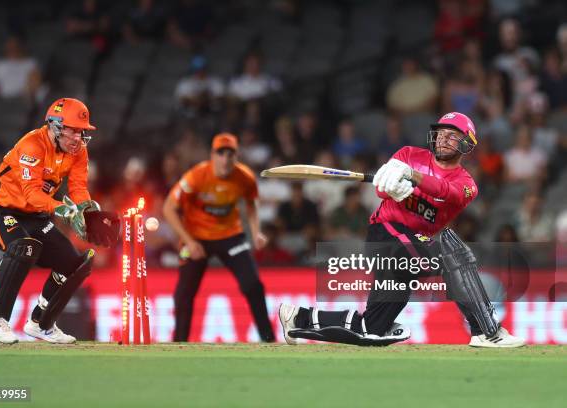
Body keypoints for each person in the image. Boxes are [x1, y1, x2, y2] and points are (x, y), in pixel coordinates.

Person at [279, 112, 525, 348]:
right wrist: (391, 185)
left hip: (411, 247)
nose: (442, 139)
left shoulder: (467, 184)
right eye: (440, 134)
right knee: (452, 257)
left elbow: (445, 192)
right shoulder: (408, 154)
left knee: (372, 327)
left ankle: (296, 317)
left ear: (466, 145)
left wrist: (411, 176)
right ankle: (487, 332)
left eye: (451, 136)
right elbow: (381, 191)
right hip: (386, 234)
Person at [0, 98, 119, 344]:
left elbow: (78, 188)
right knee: (24, 246)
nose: (78, 137)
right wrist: (66, 211)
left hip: (34, 214)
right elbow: (31, 193)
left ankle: (41, 323)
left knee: (74, 263)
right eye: (72, 130)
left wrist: (88, 212)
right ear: (54, 126)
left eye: (81, 131)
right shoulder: (32, 145)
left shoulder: (78, 151)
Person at [163, 133, 275, 342]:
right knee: (184, 294)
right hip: (197, 238)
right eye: (221, 153)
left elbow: (251, 204)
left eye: (230, 154)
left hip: (230, 236)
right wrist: (188, 241)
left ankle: (268, 340)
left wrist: (255, 231)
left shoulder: (245, 177)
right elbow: (169, 207)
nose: (225, 159)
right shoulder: (195, 177)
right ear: (212, 155)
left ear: (236, 156)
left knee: (253, 285)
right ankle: (179, 345)